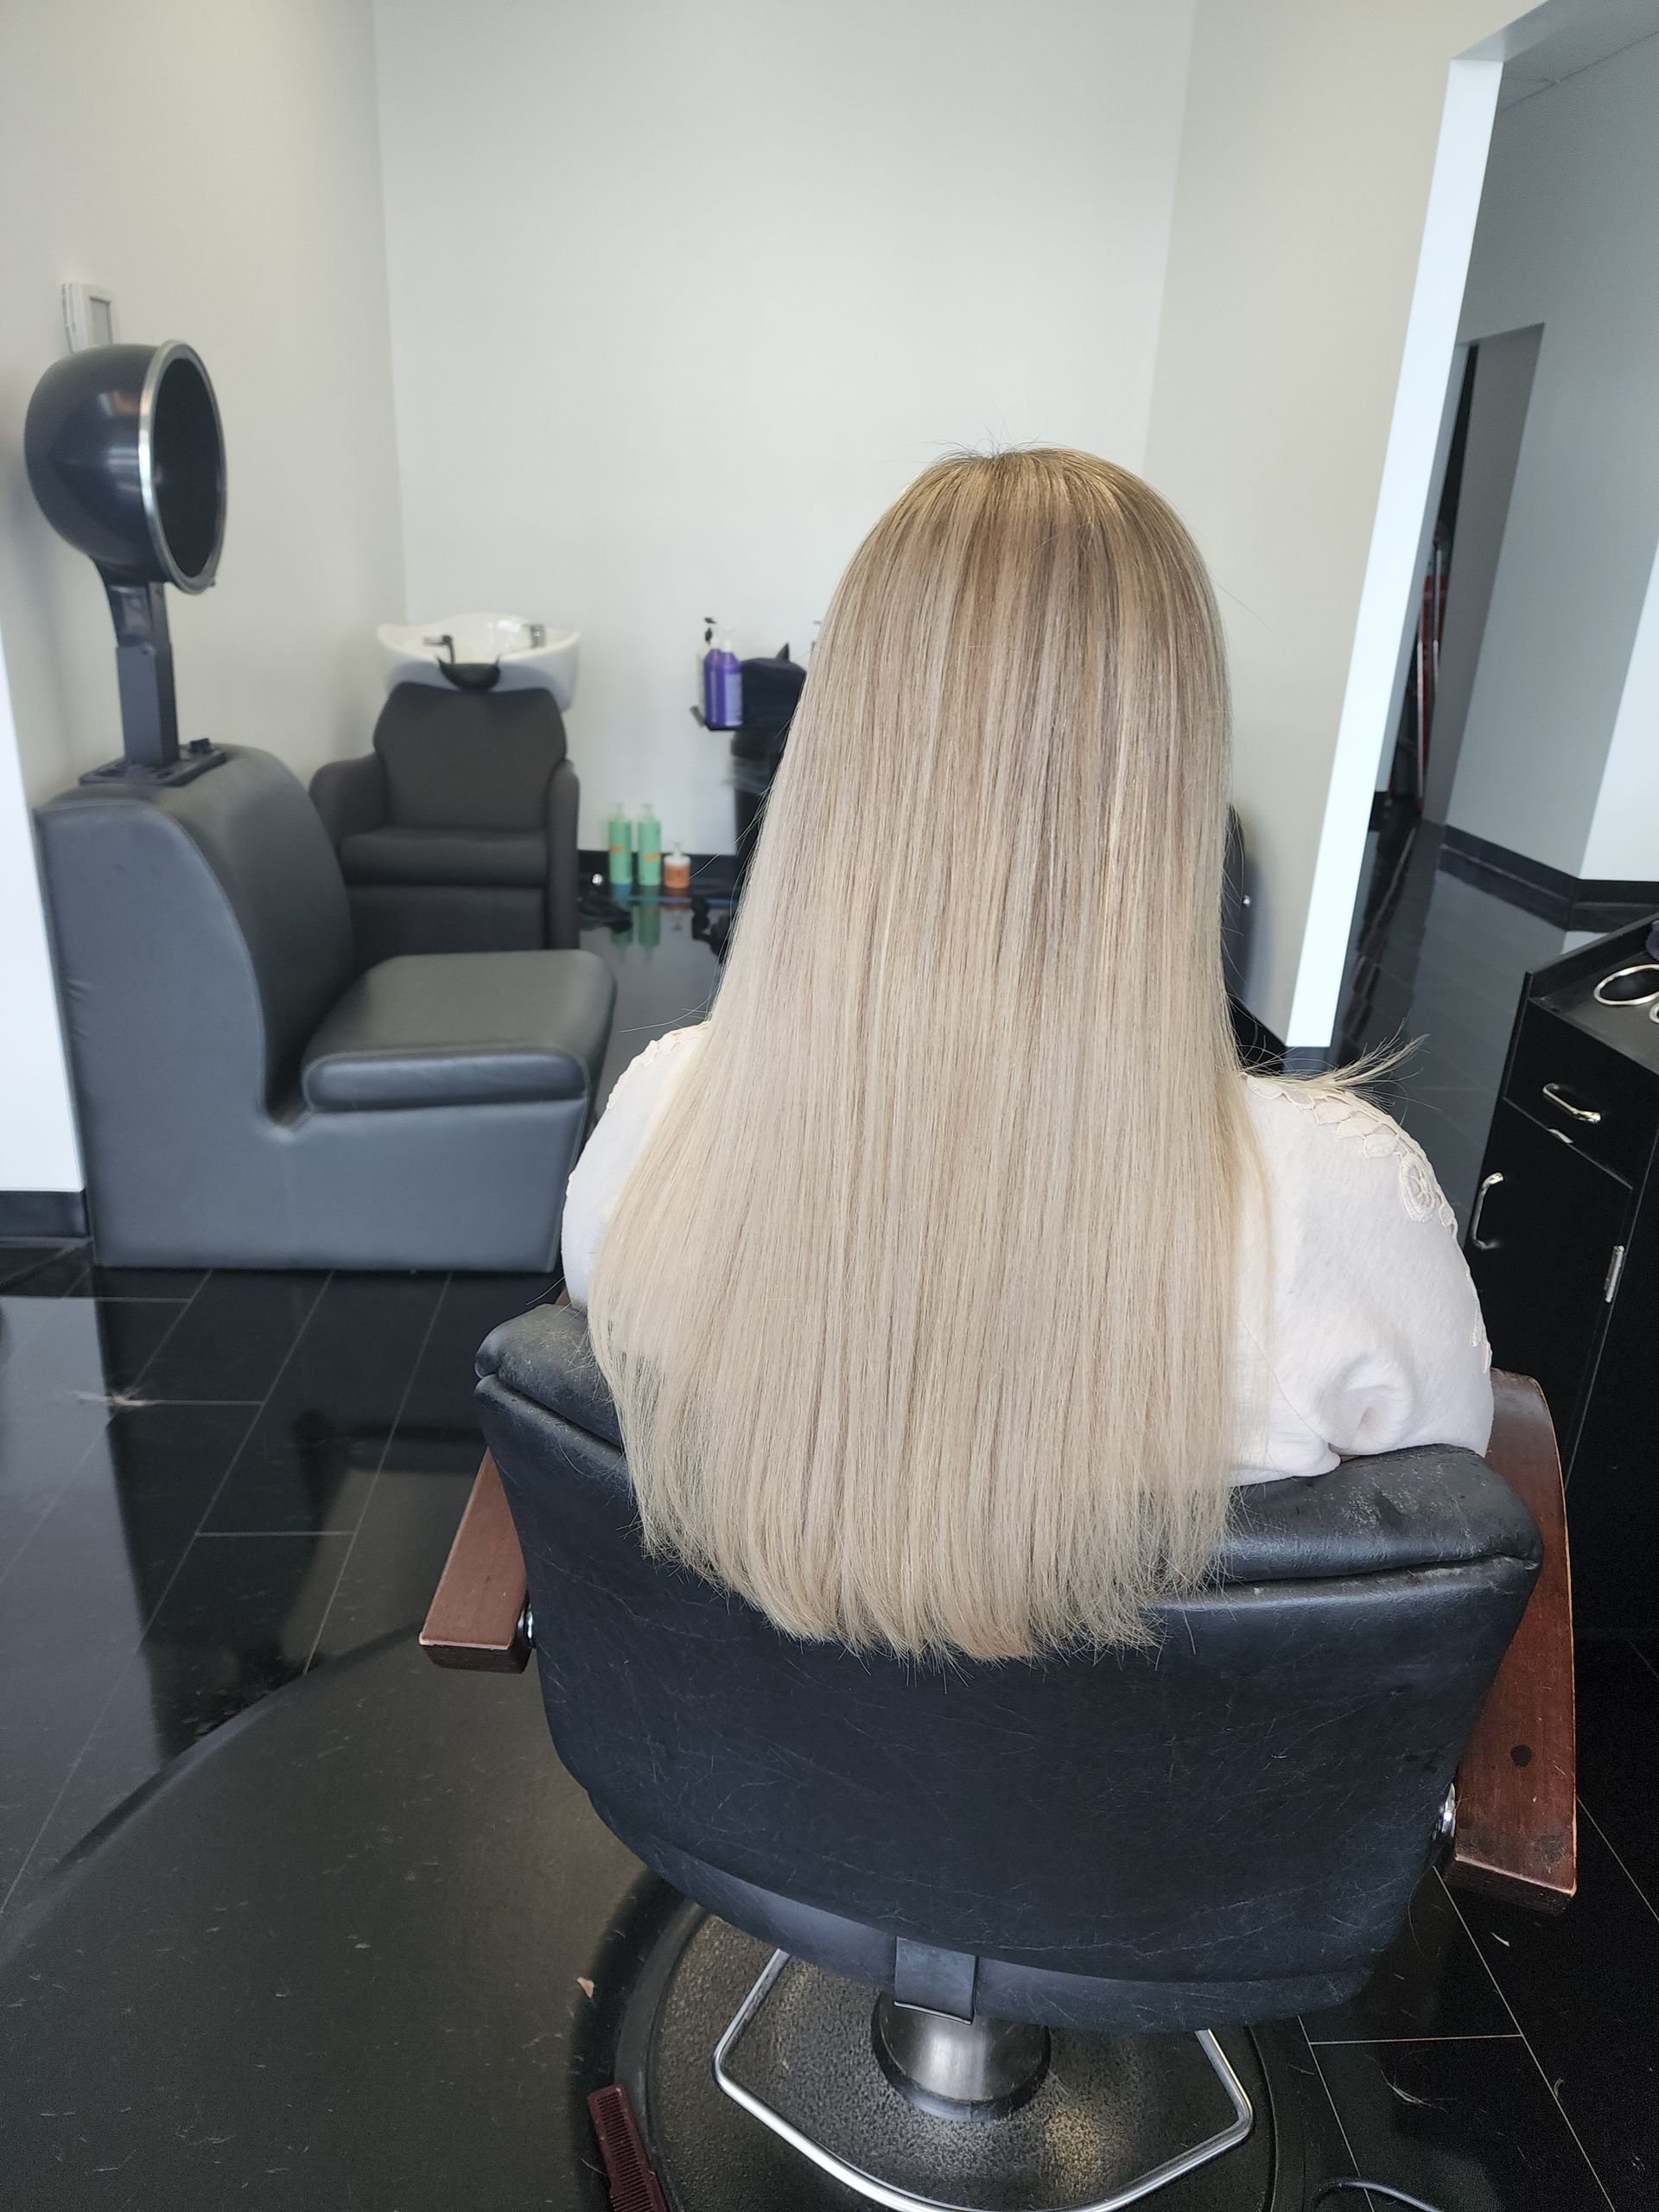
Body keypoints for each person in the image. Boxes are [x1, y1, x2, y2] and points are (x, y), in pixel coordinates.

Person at [563, 448, 1491, 1663]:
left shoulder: (663, 1117)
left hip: (739, 1817)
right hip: (1165, 1837)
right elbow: (1440, 1519)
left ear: (840, 756)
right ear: (1173, 777)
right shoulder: (1341, 1198)